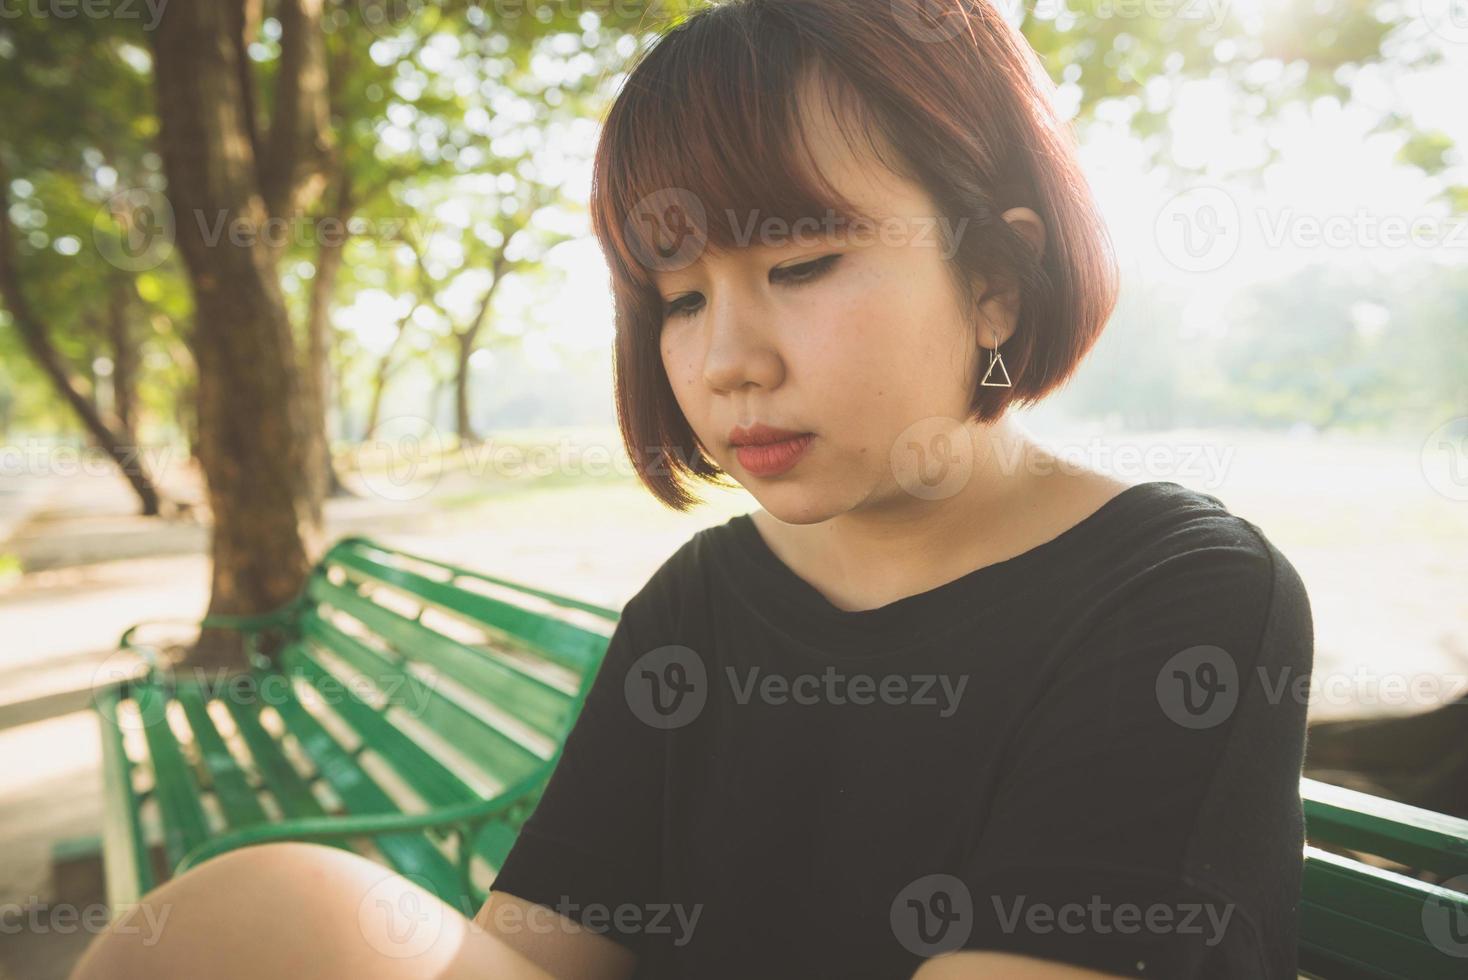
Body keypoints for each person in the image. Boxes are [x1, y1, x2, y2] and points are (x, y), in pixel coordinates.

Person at [69, 1, 1314, 978]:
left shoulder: (1179, 599)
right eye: (678, 296)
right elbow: (534, 951)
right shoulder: (705, 600)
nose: (726, 361)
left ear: (993, 276)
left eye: (804, 261)